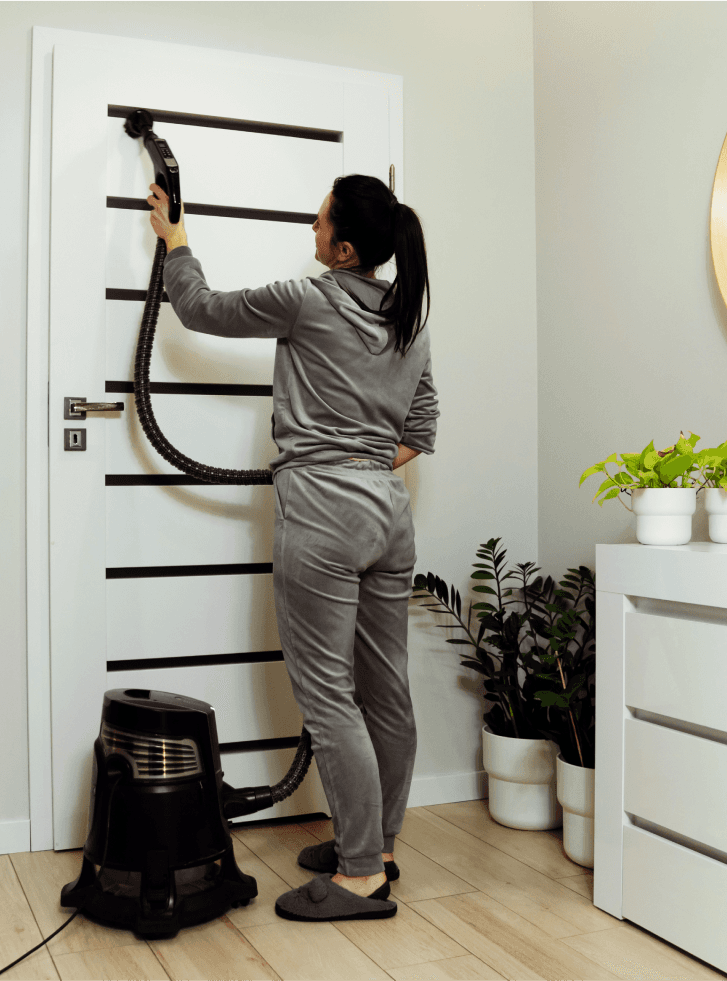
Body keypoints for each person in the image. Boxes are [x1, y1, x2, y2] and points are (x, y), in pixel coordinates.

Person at [147, 174, 438, 922]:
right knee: (385, 690)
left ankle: (361, 873)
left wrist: (176, 242)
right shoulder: (407, 319)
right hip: (386, 511)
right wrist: (361, 463)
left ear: (343, 248)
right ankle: (378, 842)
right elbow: (421, 429)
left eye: (318, 224)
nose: (310, 232)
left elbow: (200, 308)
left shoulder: (310, 297)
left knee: (328, 694)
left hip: (322, 511)